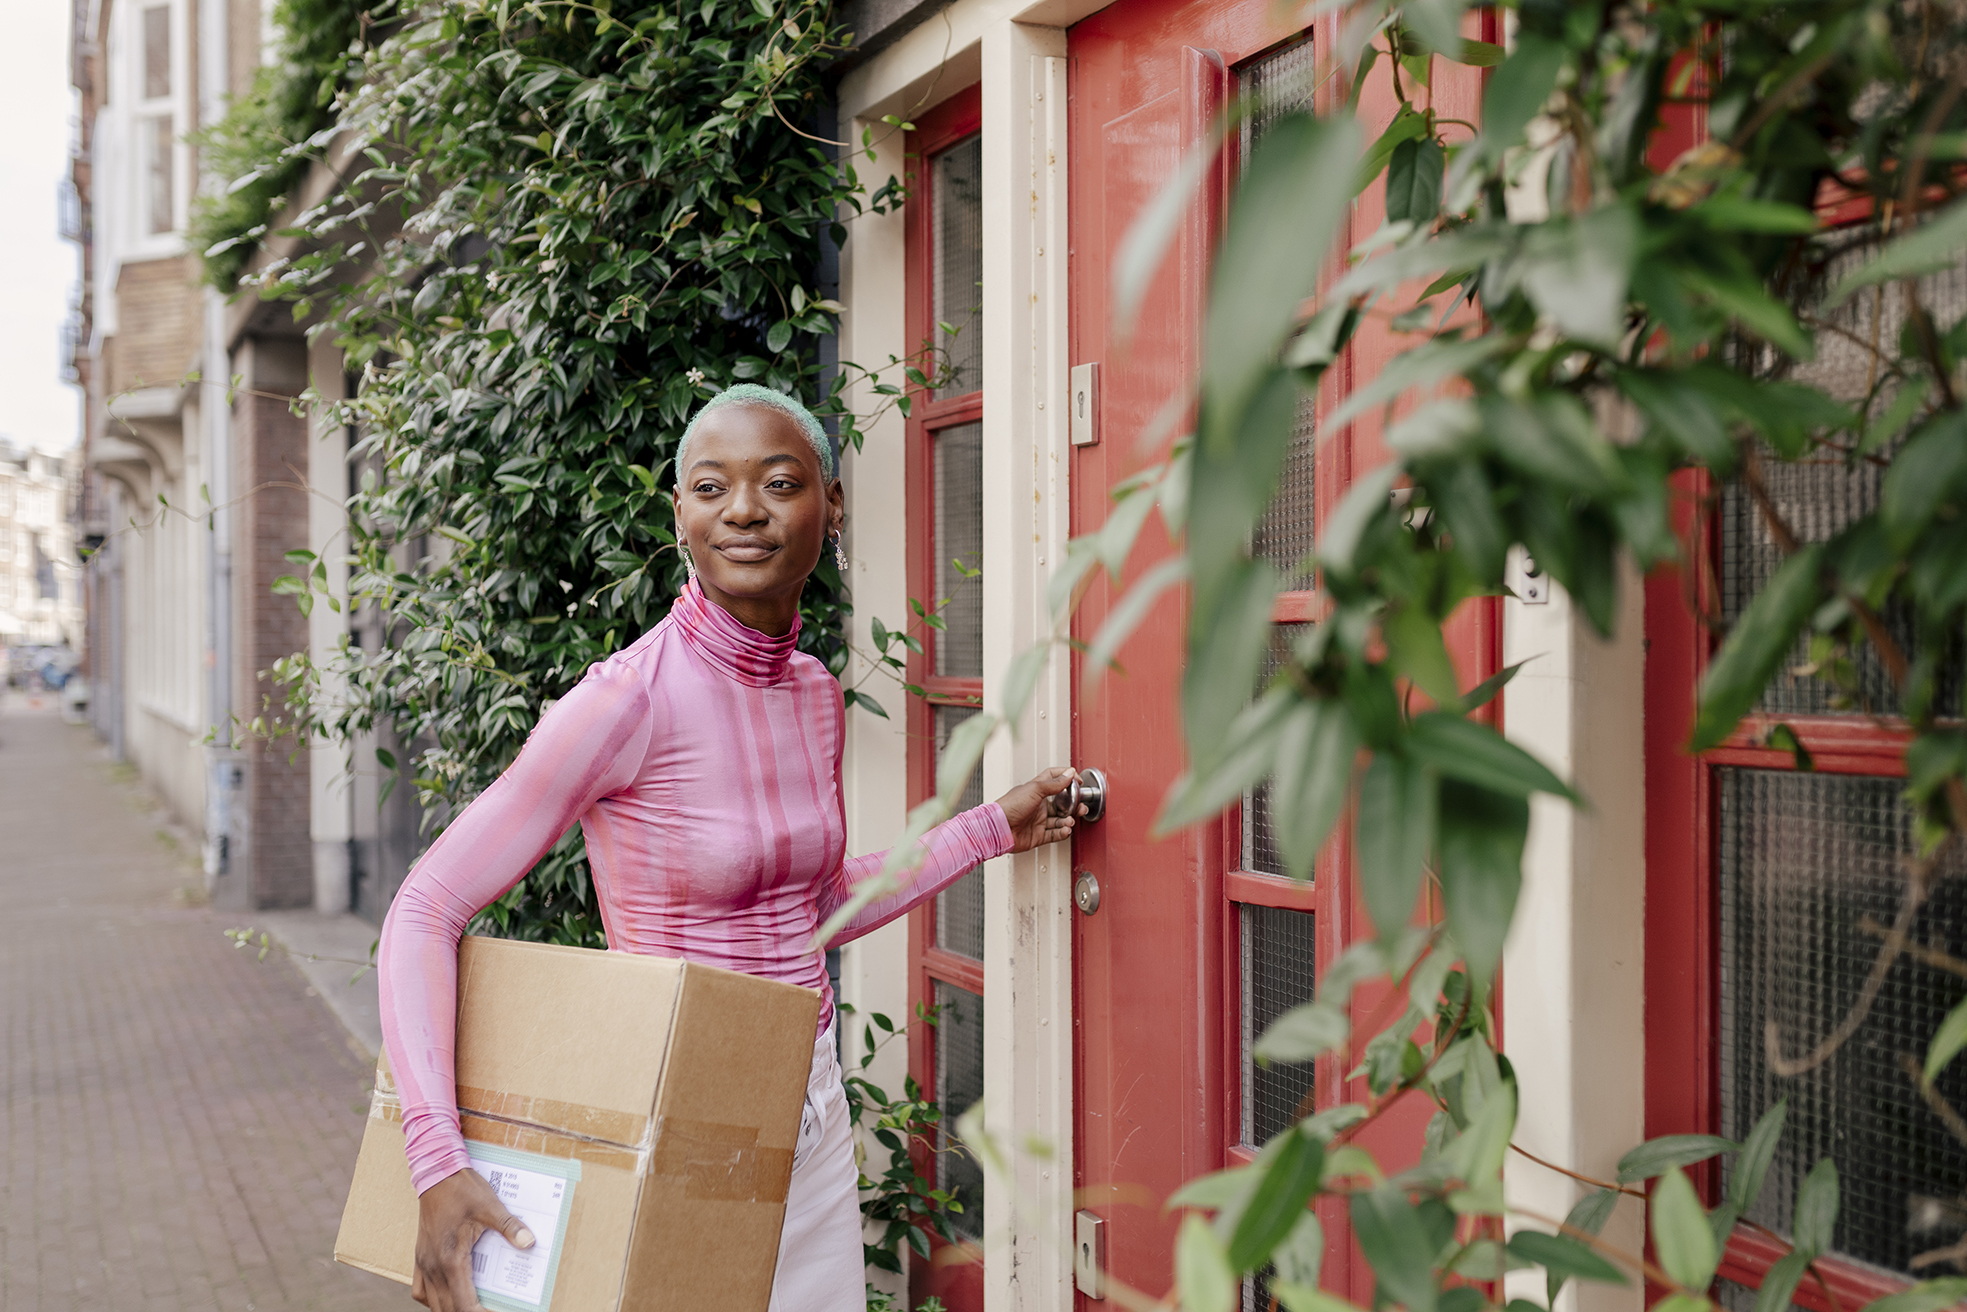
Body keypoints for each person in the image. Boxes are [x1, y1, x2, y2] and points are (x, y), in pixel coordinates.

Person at [379, 383, 1082, 1312]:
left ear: (831, 508)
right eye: (711, 488)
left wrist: (992, 827)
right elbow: (424, 909)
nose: (744, 510)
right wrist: (436, 1161)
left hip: (810, 1108)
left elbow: (816, 906)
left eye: (780, 482)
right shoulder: (622, 701)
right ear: (680, 517)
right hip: (668, 1115)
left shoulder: (811, 693)